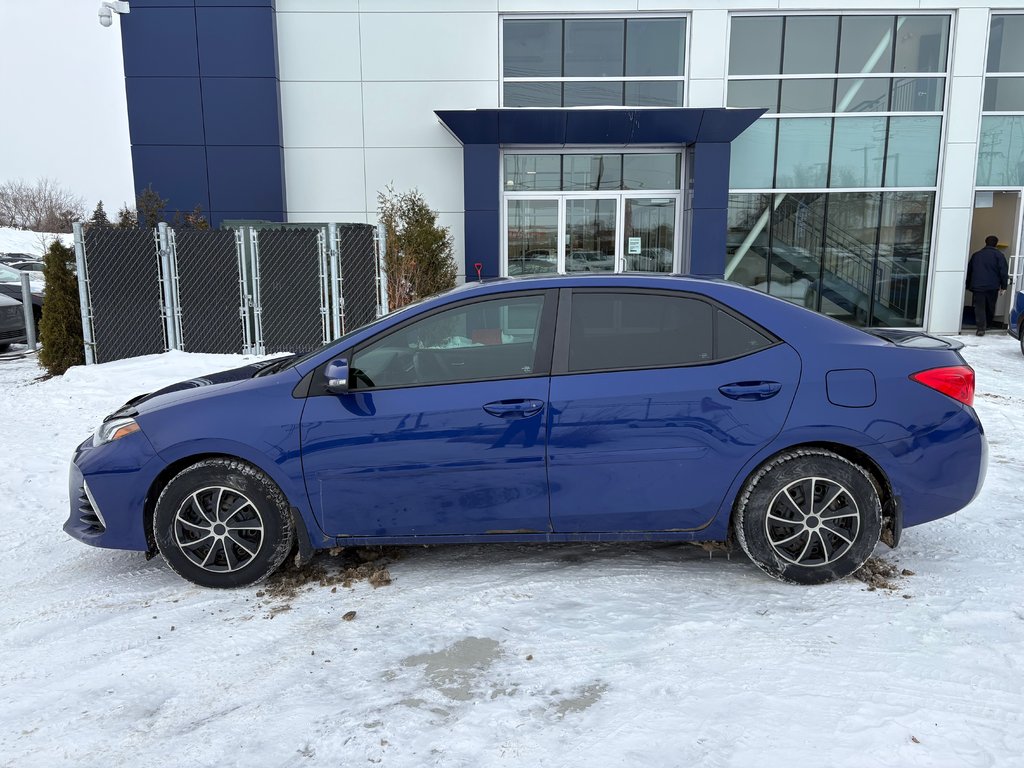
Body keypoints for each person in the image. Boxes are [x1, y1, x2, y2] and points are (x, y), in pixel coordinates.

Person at [966, 235, 1009, 336]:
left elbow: (970, 271)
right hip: (992, 286)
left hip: (978, 285)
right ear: (996, 244)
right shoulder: (999, 256)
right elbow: (1003, 272)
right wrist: (1004, 286)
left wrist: (968, 285)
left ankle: (981, 328)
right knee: (990, 306)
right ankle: (989, 324)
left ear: (985, 242)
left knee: (979, 307)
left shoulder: (976, 255)